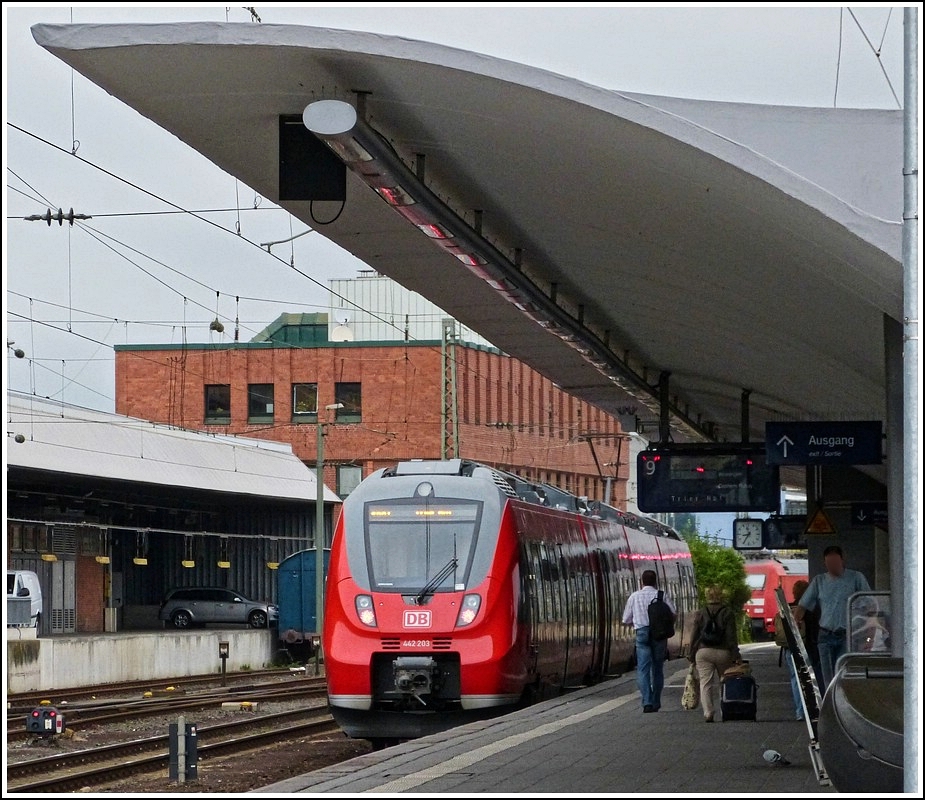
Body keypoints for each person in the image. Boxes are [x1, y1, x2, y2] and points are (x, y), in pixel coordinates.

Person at [794, 544, 871, 691]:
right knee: (827, 676)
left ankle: (841, 703)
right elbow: (803, 605)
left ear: (843, 561)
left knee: (843, 673)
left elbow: (870, 606)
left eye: (835, 562)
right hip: (825, 634)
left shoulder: (856, 578)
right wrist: (797, 620)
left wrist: (869, 636)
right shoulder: (819, 581)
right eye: (829, 563)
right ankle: (829, 705)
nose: (832, 566)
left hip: (847, 635)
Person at [622, 569, 676, 713]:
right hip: (659, 634)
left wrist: (637, 622)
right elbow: (673, 613)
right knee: (658, 668)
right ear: (655, 581)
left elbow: (626, 619)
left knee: (643, 669)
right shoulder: (662, 595)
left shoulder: (634, 597)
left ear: (642, 581)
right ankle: (656, 701)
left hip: (642, 633)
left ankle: (647, 701)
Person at [690, 584, 741, 723]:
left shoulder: (701, 613)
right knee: (725, 681)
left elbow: (694, 634)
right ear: (721, 596)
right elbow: (731, 637)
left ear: (707, 596)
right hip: (723, 652)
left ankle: (708, 712)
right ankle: (725, 710)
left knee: (705, 683)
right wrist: (736, 655)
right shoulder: (727, 613)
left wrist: (691, 654)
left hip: (703, 651)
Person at [781, 579, 810, 721]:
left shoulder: (787, 607)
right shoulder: (811, 608)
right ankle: (812, 708)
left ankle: (799, 711)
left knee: (795, 678)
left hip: (790, 647)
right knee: (809, 677)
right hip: (807, 646)